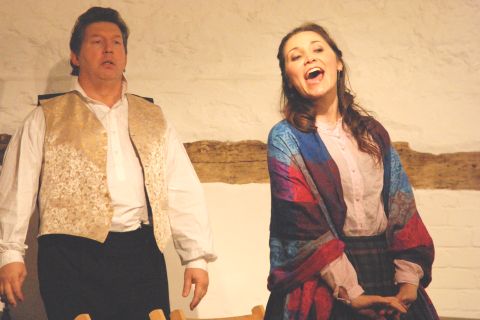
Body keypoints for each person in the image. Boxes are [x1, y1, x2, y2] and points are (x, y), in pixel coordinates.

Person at [0, 7, 216, 320]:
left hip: (140, 253)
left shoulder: (152, 117)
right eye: (97, 42)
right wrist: (10, 252)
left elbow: (180, 185)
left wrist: (195, 256)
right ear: (75, 56)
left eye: (117, 42)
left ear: (125, 55)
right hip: (69, 256)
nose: (109, 49)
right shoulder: (46, 117)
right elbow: (17, 187)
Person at [265, 23, 439, 320]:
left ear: (338, 63)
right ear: (290, 80)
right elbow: (304, 225)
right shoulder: (286, 139)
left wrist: (409, 280)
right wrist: (351, 291)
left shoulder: (372, 133)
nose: (309, 58)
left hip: (385, 269)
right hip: (324, 276)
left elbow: (402, 207)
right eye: (296, 57)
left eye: (318, 49)